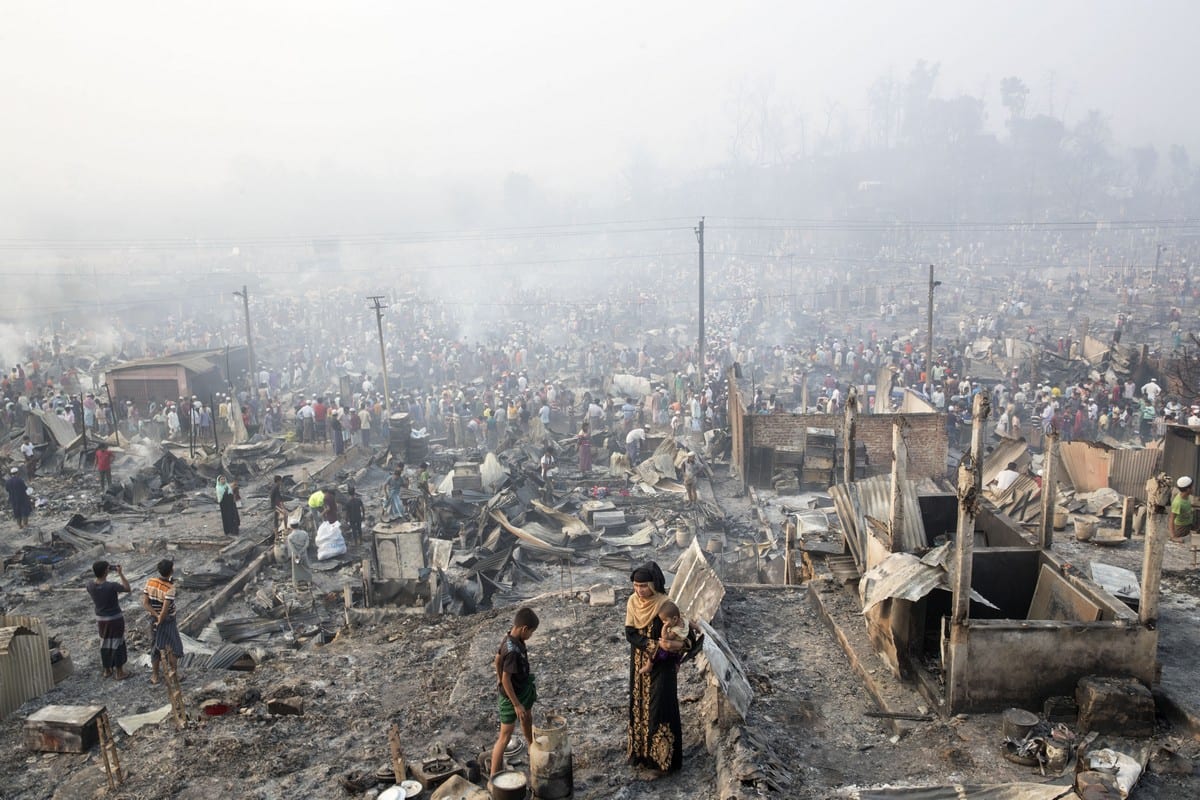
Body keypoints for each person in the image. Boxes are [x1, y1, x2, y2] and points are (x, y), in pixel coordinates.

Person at [625, 562, 701, 775]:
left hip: (663, 668)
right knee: (639, 707)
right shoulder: (632, 603)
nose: (639, 591)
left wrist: (672, 646)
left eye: (644, 586)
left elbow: (689, 636)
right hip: (639, 664)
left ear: (654, 584)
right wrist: (653, 646)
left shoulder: (666, 605)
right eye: (636, 586)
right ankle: (641, 756)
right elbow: (630, 633)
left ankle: (662, 762)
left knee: (660, 709)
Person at [490, 606, 539, 780]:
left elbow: (497, 659)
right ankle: (493, 777)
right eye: (531, 633)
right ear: (524, 629)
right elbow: (506, 680)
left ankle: (532, 748)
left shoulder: (510, 637)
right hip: (511, 695)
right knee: (505, 735)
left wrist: (497, 676)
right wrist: (516, 704)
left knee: (527, 719)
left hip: (522, 688)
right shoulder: (511, 650)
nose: (530, 636)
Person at [87, 560, 131, 680]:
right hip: (115, 619)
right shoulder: (111, 586)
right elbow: (127, 588)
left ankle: (107, 670)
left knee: (104, 642)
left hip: (101, 619)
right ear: (107, 571)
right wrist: (120, 574)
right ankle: (119, 672)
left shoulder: (90, 585)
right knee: (117, 643)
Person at [141, 559, 183, 684]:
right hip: (167, 621)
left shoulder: (150, 582)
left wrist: (156, 616)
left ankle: (155, 676)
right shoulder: (170, 588)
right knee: (172, 647)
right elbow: (165, 610)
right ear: (171, 571)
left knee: (155, 646)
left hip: (153, 620)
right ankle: (174, 675)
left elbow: (145, 603)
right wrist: (160, 619)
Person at [638, 600, 689, 675]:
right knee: (677, 658)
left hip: (671, 648)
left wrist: (664, 627)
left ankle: (649, 666)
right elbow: (691, 623)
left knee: (655, 652)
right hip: (679, 650)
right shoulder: (684, 619)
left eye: (665, 621)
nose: (663, 622)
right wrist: (698, 629)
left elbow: (665, 637)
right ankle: (677, 666)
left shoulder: (676, 630)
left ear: (674, 618)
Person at [286, 520, 312, 588]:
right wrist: (301, 551)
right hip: (303, 553)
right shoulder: (304, 533)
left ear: (291, 527)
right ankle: (308, 580)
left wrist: (297, 553)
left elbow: (291, 547)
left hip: (295, 555)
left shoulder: (290, 537)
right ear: (298, 525)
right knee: (306, 566)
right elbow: (307, 544)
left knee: (296, 569)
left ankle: (296, 582)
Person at [1171, 476, 1194, 543]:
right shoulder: (1178, 503)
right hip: (1181, 528)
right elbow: (1171, 519)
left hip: (1188, 524)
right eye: (1192, 487)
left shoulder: (1186, 496)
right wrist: (1173, 537)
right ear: (1187, 489)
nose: (1193, 488)